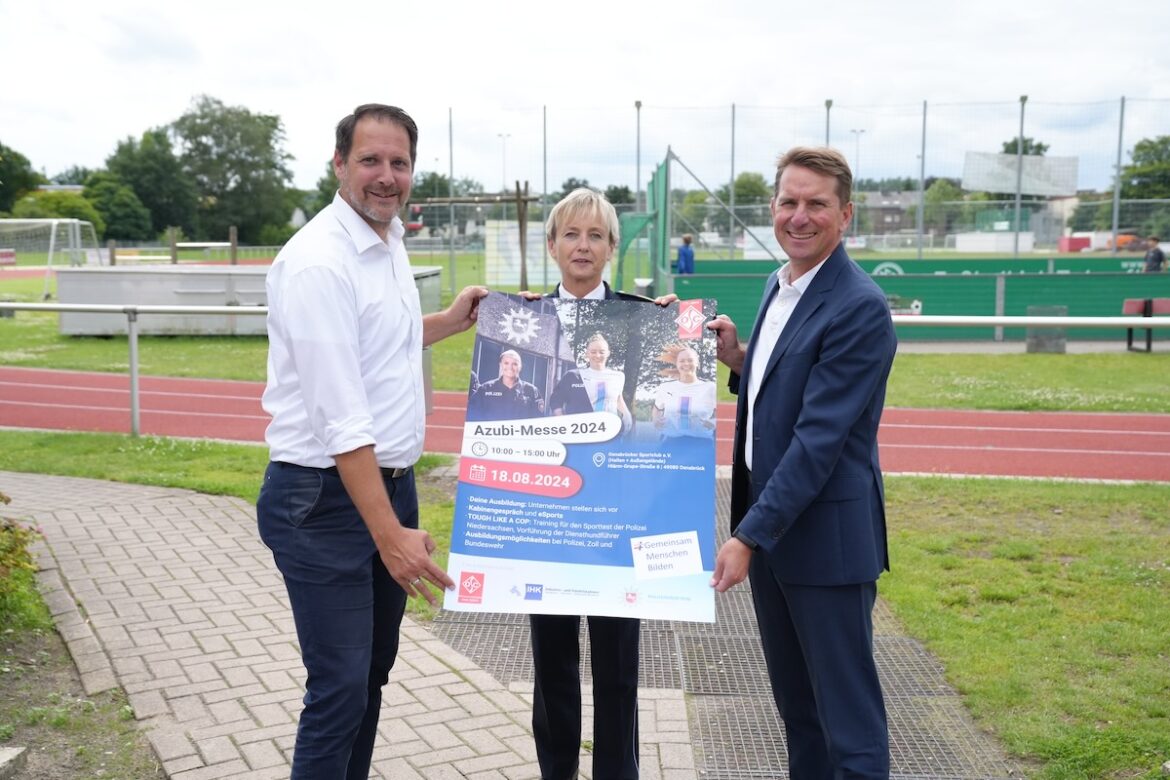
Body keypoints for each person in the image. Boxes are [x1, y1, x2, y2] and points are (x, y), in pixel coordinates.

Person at [256, 103, 487, 779]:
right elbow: (342, 425)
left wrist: (448, 319)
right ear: (338, 165)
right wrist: (391, 535)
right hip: (323, 500)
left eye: (399, 163)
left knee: (367, 682)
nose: (386, 176)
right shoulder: (319, 264)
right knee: (337, 691)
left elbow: (380, 347)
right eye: (370, 160)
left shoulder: (384, 239)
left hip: (384, 487)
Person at [706, 146, 896, 779]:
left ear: (845, 215)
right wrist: (740, 360)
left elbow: (818, 441)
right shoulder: (779, 282)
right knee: (798, 712)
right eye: (789, 201)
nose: (800, 215)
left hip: (823, 541)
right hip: (775, 530)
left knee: (848, 722)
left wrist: (747, 536)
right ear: (772, 208)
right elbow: (784, 384)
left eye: (817, 204)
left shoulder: (859, 306)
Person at [527, 187, 657, 780]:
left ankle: (616, 772)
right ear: (552, 245)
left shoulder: (639, 318)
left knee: (618, 665)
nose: (583, 246)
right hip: (549, 513)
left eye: (596, 235)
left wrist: (680, 327)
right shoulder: (523, 319)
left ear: (612, 247)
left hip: (616, 516)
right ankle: (557, 770)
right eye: (572, 234)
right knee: (550, 661)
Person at [651, 346, 716, 439]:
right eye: (682, 361)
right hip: (670, 442)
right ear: (676, 364)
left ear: (697, 363)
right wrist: (656, 420)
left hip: (702, 442)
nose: (686, 364)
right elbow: (657, 409)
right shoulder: (665, 387)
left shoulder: (710, 387)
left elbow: (724, 413)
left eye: (690, 360)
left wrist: (714, 422)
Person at [467, 348, 544, 420]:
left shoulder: (532, 391)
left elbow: (538, 422)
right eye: (506, 363)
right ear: (500, 365)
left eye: (515, 364)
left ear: (520, 366)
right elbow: (472, 416)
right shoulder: (485, 389)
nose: (510, 367)